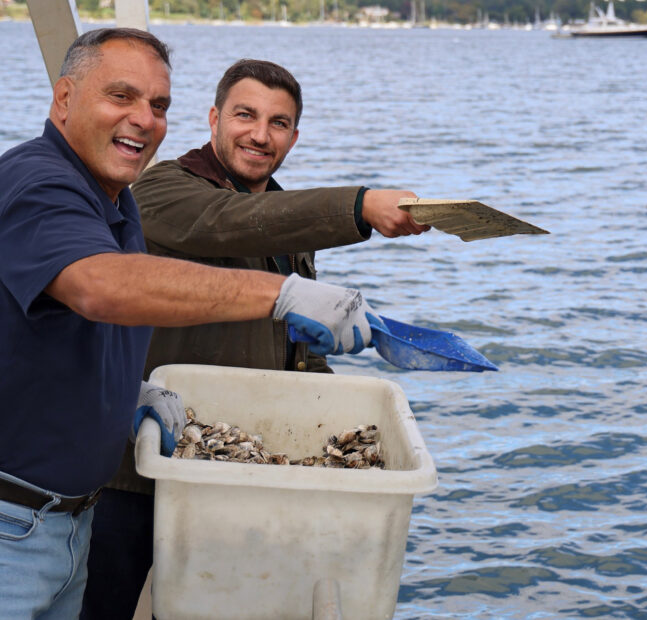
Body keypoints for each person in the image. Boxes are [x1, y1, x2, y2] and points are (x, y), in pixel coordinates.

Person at [0, 29, 379, 619]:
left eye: (157, 106)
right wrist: (286, 289)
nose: (142, 119)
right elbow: (99, 286)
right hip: (15, 525)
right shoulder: (44, 184)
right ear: (64, 99)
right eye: (120, 97)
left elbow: (67, 328)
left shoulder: (114, 197)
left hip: (70, 518)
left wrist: (127, 392)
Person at [79, 58, 430, 618]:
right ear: (214, 117)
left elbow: (291, 349)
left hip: (227, 475)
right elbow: (230, 222)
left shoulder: (286, 227)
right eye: (245, 115)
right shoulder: (163, 189)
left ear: (294, 135)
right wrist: (361, 206)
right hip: (133, 470)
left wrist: (342, 409)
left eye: (279, 122)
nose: (260, 134)